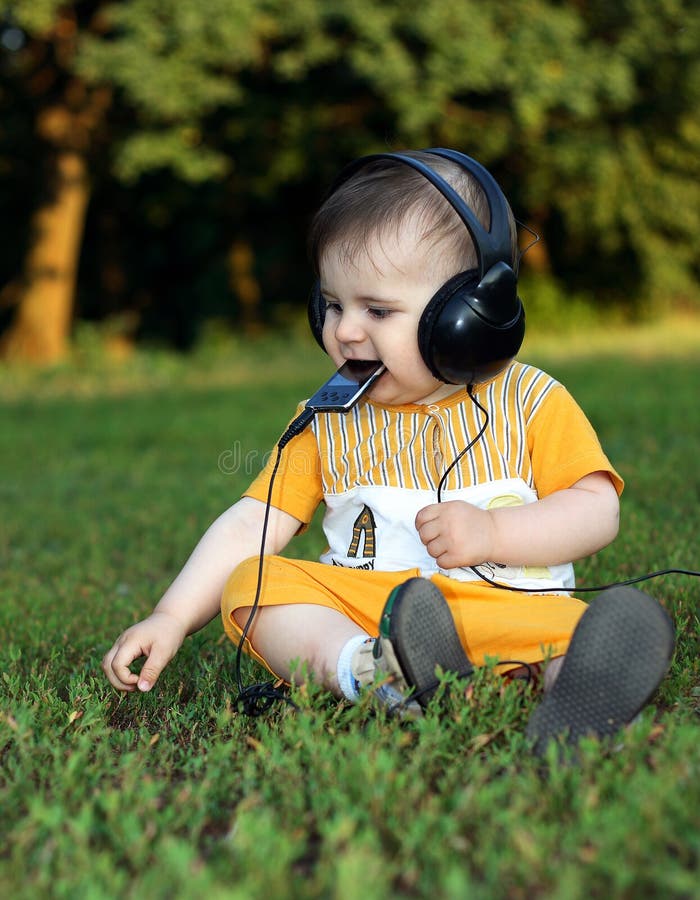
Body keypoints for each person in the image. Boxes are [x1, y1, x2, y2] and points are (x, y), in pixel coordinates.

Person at [102, 149, 674, 751]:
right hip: (369, 615)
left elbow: (596, 509)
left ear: (469, 315)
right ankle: (370, 671)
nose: (345, 330)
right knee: (251, 586)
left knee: (566, 630)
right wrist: (170, 615)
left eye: (377, 310)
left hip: (501, 605)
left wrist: (495, 535)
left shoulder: (530, 401)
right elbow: (255, 522)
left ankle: (579, 688)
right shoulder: (326, 420)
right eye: (333, 304)